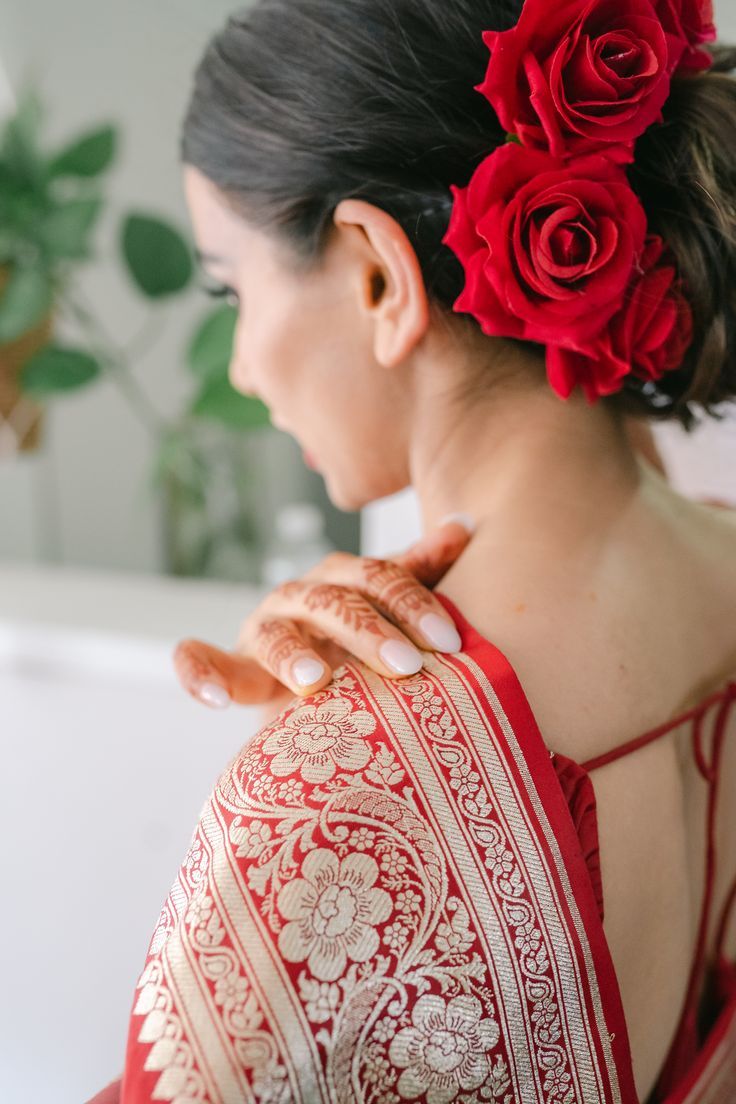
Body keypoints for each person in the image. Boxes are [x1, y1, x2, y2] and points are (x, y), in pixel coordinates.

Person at [91, 1, 736, 1101]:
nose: (242, 367)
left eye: (231, 287)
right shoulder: (714, 562)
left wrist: (307, 767)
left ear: (378, 276)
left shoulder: (325, 802)